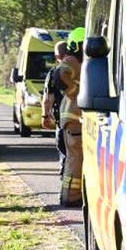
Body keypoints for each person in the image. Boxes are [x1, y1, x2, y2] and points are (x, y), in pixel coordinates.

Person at [56, 33, 84, 206]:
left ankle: (70, 195)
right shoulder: (73, 61)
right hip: (75, 118)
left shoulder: (80, 62)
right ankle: (71, 198)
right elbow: (59, 75)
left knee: (74, 158)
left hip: (73, 118)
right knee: (76, 159)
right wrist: (75, 91)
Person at [42, 39, 69, 176]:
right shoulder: (81, 70)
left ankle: (66, 188)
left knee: (64, 153)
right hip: (83, 120)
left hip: (63, 120)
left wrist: (45, 116)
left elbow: (48, 98)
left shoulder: (54, 73)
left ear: (57, 56)